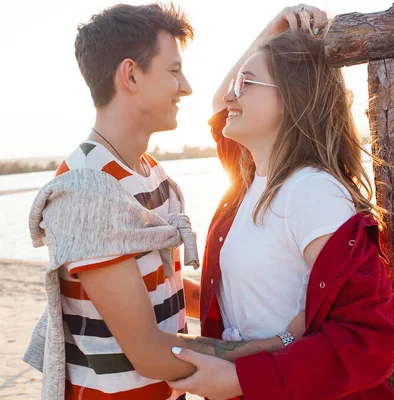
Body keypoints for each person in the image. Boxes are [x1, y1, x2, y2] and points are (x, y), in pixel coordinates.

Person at [22, 4, 306, 400]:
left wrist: (271, 33)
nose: (186, 86)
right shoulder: (87, 191)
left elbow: (160, 291)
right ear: (131, 75)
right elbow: (152, 354)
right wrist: (284, 343)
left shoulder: (148, 172)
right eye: (174, 71)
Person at [168, 5, 394, 400]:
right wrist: (272, 30)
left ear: (291, 99)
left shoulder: (313, 194)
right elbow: (218, 107)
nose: (230, 94)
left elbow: (368, 341)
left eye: (247, 84)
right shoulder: (249, 179)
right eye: (236, 82)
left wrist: (242, 380)